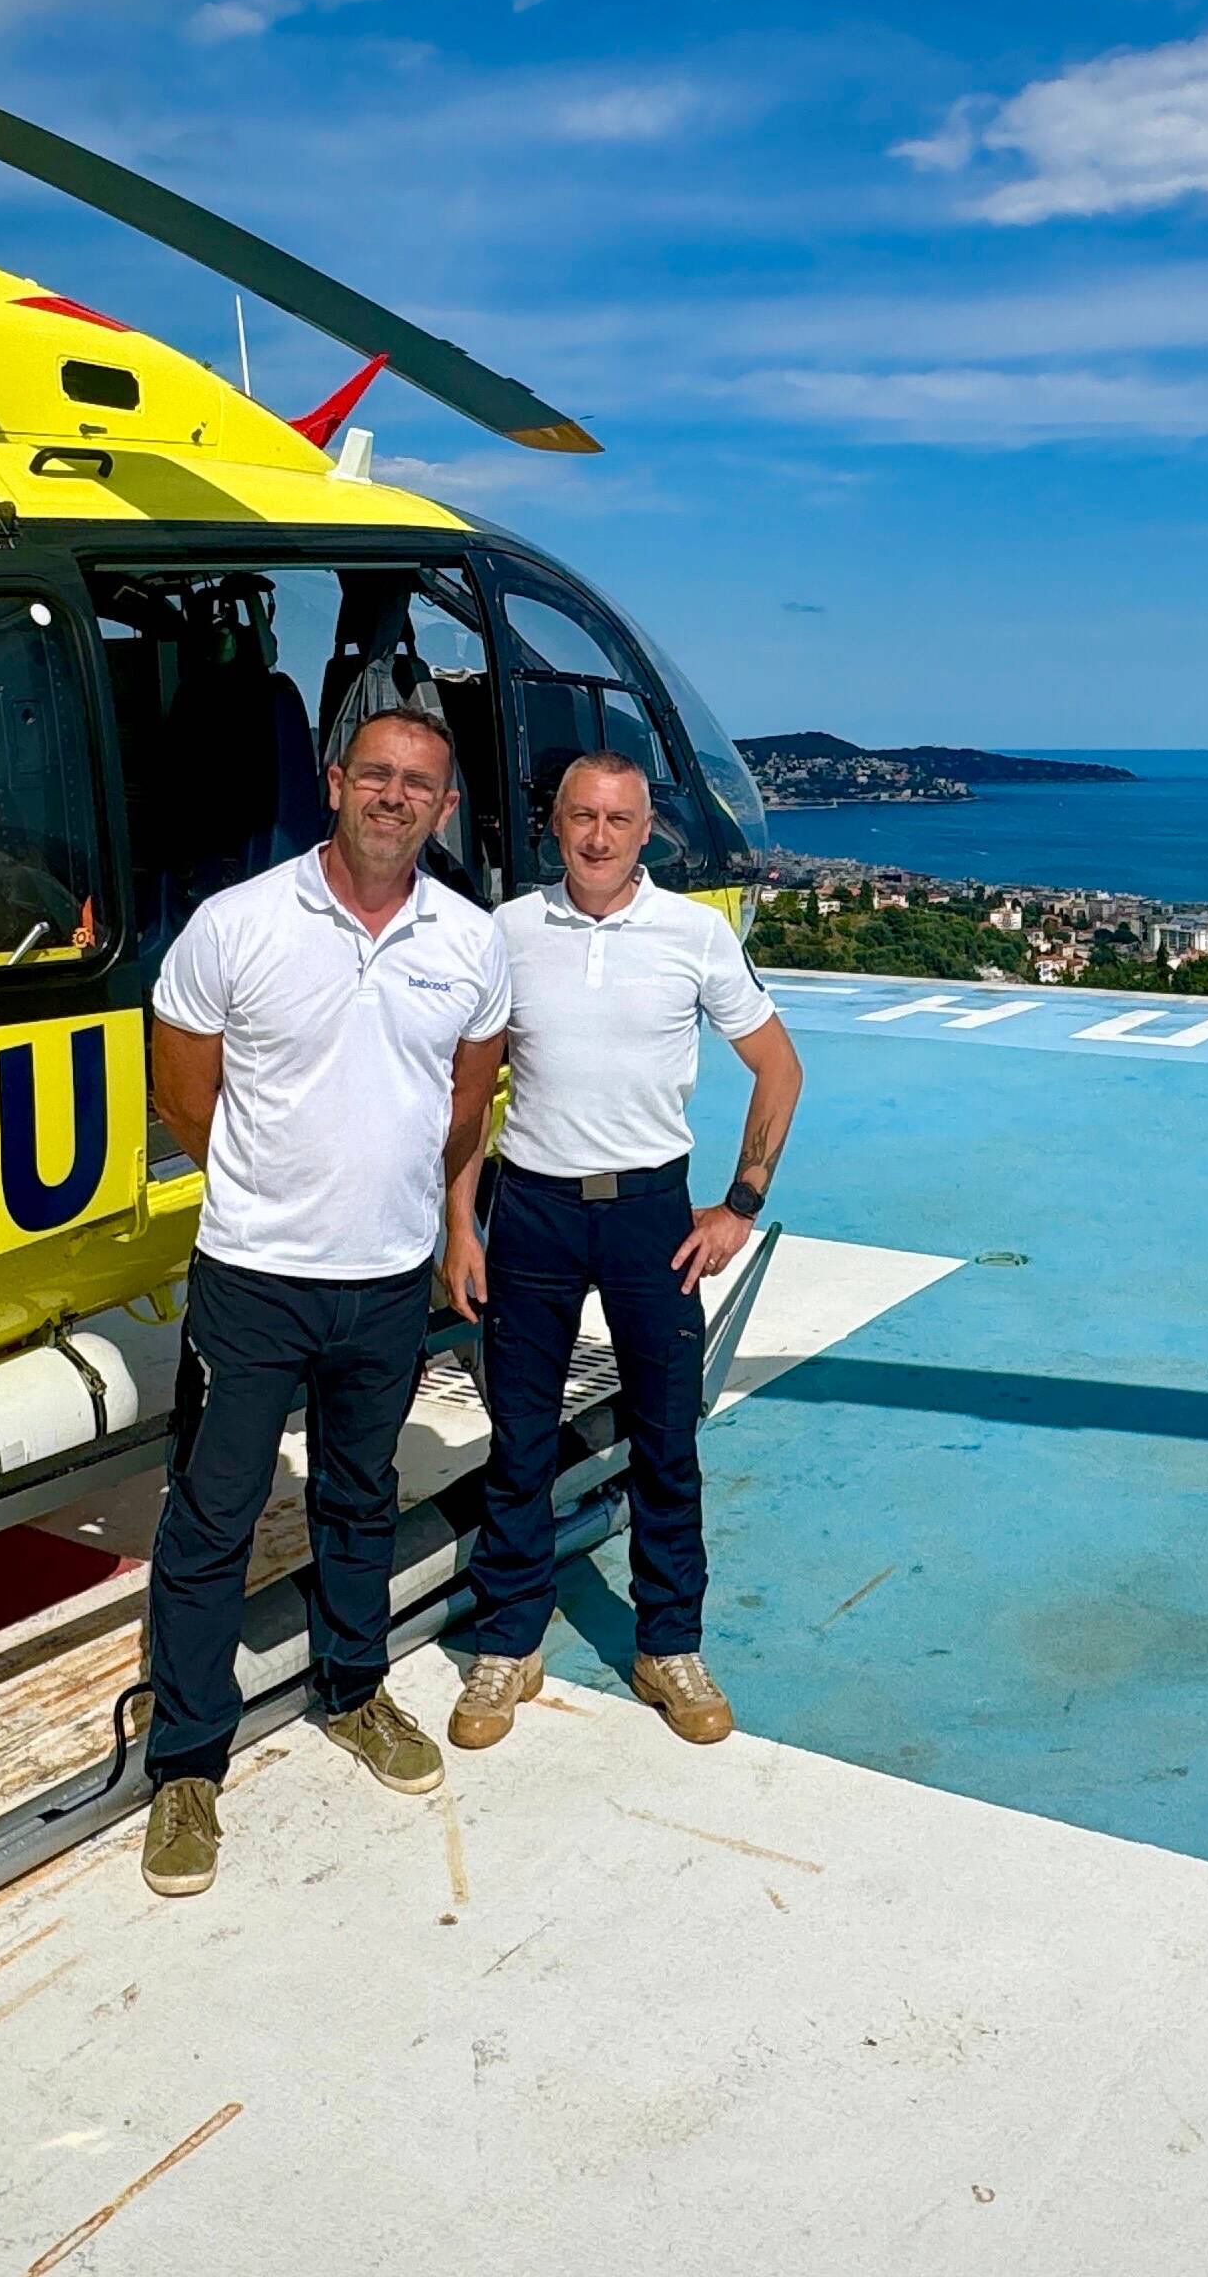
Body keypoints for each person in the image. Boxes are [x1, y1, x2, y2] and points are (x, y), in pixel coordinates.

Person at [136, 705, 510, 1899]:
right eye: (377, 777)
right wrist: (275, 1194)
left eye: (421, 786)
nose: (395, 799)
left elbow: (467, 1102)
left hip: (388, 1280)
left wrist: (429, 1217)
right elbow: (184, 1097)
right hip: (253, 1278)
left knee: (360, 1497)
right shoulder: (236, 925)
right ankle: (188, 1764)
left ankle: (353, 1691)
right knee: (214, 1517)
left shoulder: (468, 938)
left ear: (444, 809)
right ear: (336, 782)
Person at [441, 750, 804, 1750]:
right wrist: (458, 1225)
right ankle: (508, 1645)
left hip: (652, 1215)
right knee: (516, 1442)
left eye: (619, 819)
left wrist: (738, 1204)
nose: (599, 837)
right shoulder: (507, 930)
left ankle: (669, 1645)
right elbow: (470, 1096)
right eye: (581, 817)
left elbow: (778, 1068)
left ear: (649, 832)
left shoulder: (695, 935)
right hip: (534, 1213)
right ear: (552, 825)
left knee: (665, 1440)